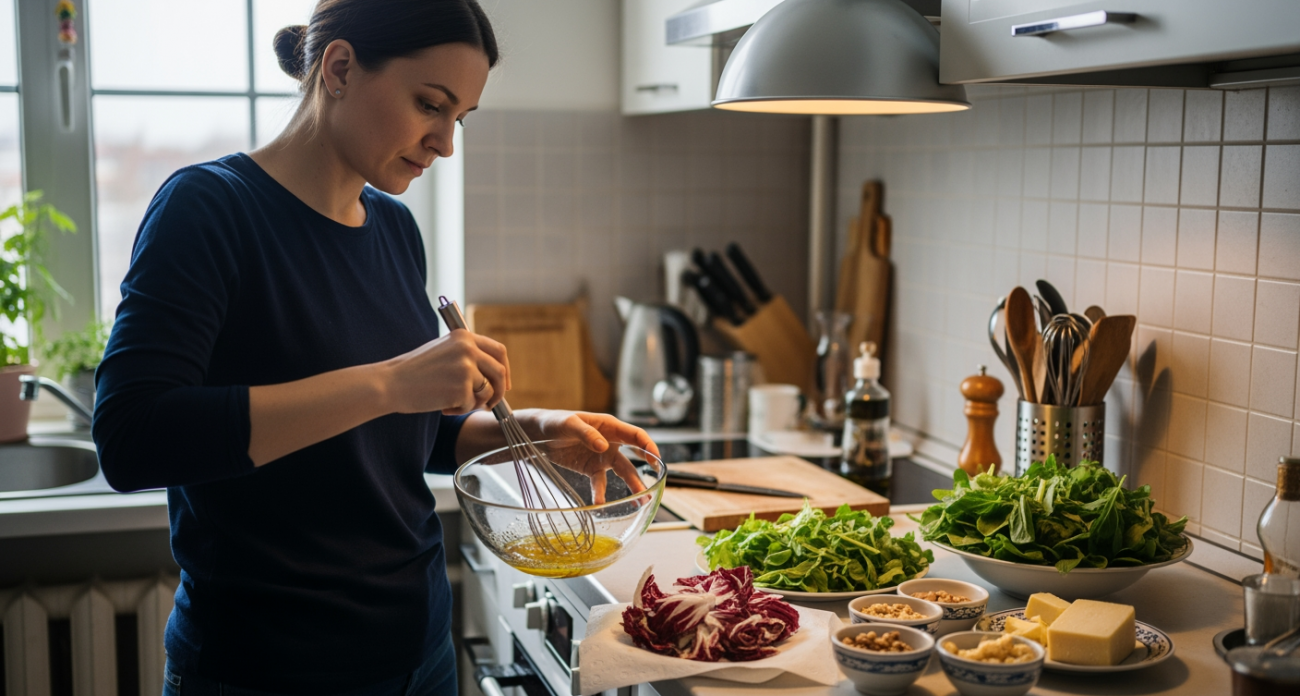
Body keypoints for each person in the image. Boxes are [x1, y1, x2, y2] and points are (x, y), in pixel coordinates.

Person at [92, 1, 657, 694]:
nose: (445, 143)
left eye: (459, 119)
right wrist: (392, 382)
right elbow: (131, 438)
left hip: (421, 650)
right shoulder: (208, 209)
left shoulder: (393, 228)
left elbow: (395, 440)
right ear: (339, 69)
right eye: (430, 105)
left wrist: (534, 433)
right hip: (270, 668)